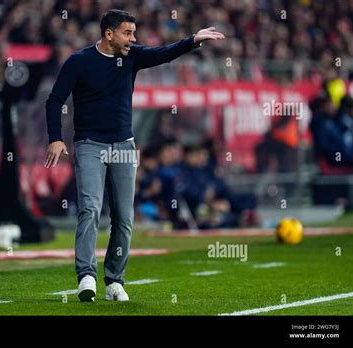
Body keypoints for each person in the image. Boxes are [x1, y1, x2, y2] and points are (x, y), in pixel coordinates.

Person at [44, 9, 225, 302]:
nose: (133, 38)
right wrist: (55, 138)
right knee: (90, 208)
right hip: (90, 144)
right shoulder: (79, 61)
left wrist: (192, 40)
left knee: (124, 218)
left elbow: (163, 53)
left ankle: (114, 280)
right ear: (109, 33)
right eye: (128, 33)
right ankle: (86, 276)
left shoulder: (132, 56)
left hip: (125, 147)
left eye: (134, 33)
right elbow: (54, 100)